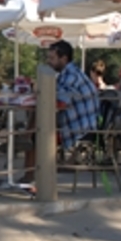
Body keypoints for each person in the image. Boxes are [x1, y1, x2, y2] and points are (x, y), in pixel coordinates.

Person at [22, 40, 99, 183]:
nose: (48, 61)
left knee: (37, 136)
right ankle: (26, 141)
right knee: (37, 123)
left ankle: (29, 175)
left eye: (52, 58)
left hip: (80, 128)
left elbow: (57, 102)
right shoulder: (67, 74)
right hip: (75, 123)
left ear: (64, 58)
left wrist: (37, 92)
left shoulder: (71, 76)